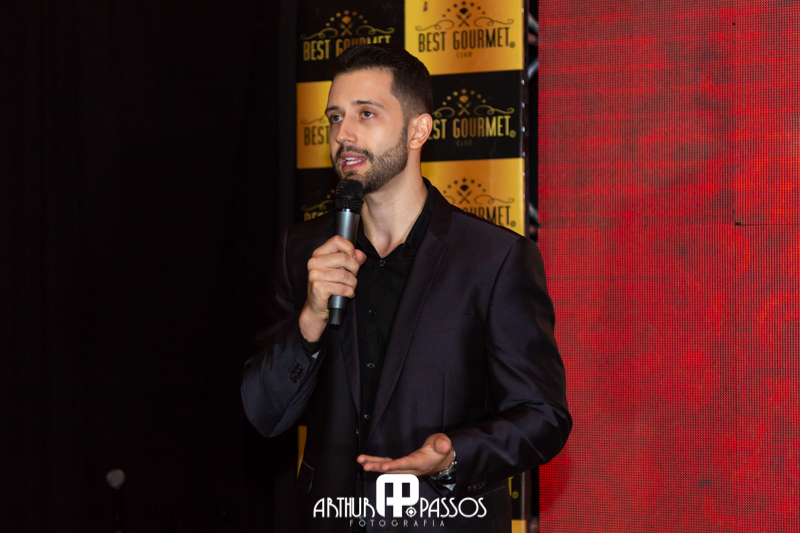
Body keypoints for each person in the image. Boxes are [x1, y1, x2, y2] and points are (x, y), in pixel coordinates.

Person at [241, 44, 571, 533]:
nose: (343, 134)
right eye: (335, 117)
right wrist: (310, 318)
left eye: (366, 113)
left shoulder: (493, 258)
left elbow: (543, 416)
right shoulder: (304, 250)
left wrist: (454, 454)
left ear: (419, 130)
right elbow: (263, 413)